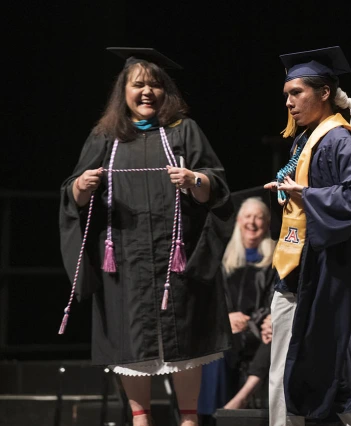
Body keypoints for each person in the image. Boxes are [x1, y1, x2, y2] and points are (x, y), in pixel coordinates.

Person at [58, 48, 231, 426]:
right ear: (124, 91)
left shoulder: (183, 130)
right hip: (125, 260)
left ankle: (189, 419)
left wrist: (195, 180)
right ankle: (140, 419)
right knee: (129, 339)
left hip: (176, 258)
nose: (147, 91)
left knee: (185, 341)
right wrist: (81, 188)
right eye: (138, 84)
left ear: (166, 91)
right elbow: (72, 191)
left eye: (155, 84)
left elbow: (216, 184)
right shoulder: (105, 137)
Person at [263, 46, 351, 426]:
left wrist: (309, 196)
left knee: (305, 370)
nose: (288, 102)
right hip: (296, 270)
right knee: (322, 370)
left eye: (296, 92)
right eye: (286, 94)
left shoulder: (339, 140)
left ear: (324, 93)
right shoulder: (306, 140)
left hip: (317, 274)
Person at [198, 197, 276, 417]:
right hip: (229, 331)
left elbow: (276, 299)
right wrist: (227, 318)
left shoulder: (276, 258)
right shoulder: (224, 259)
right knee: (216, 349)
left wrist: (256, 321)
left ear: (267, 223)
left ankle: (228, 410)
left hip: (259, 334)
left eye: (259, 217)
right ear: (239, 221)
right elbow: (213, 300)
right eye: (248, 217)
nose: (252, 222)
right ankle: (211, 417)